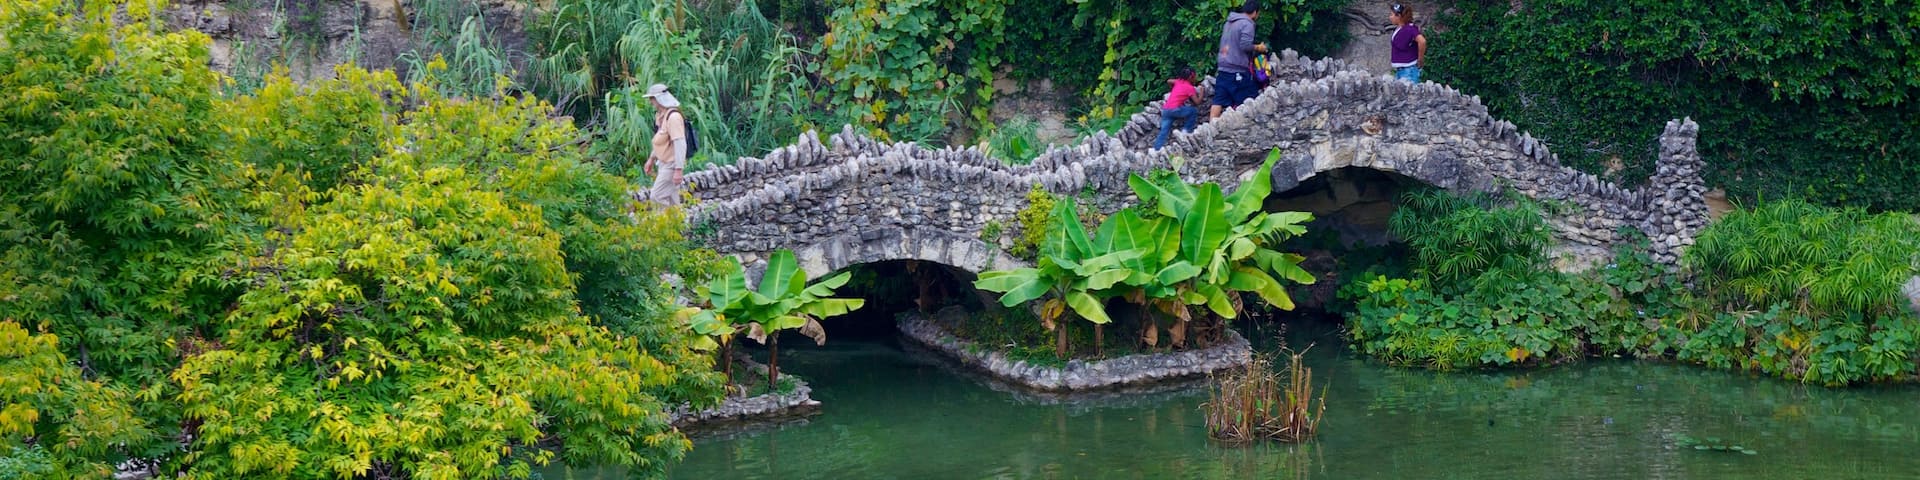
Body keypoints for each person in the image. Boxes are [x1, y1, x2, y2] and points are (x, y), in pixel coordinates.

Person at [1211, 0, 1270, 120]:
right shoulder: (1247, 24)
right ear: (1254, 12)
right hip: (1236, 67)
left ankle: (1210, 129)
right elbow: (1245, 45)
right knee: (1249, 97)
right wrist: (1259, 47)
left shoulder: (1229, 22)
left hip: (1223, 66)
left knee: (1219, 99)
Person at [641, 83, 690, 206]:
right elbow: (660, 141)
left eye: (652, 98)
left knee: (657, 196)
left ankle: (665, 223)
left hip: (671, 165)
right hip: (664, 163)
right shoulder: (662, 116)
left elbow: (680, 144)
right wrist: (651, 159)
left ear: (658, 98)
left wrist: (678, 169)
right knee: (673, 200)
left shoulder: (673, 117)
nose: (650, 101)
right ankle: (677, 224)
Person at [1154, 66, 1200, 149]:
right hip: (1175, 109)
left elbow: (1169, 81)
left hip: (1166, 110)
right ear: (1190, 77)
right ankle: (1186, 131)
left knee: (1164, 131)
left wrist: (1172, 88)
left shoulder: (1178, 82)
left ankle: (1156, 149)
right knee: (1193, 111)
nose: (1196, 78)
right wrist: (1202, 93)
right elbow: (1197, 102)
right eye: (1195, 76)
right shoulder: (1190, 88)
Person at [1388, 3, 1427, 83]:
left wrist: (1420, 59)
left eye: (1391, 14)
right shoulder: (1400, 28)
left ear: (1398, 16)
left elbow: (1422, 41)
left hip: (1409, 71)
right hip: (1402, 70)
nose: (1390, 17)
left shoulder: (1409, 29)